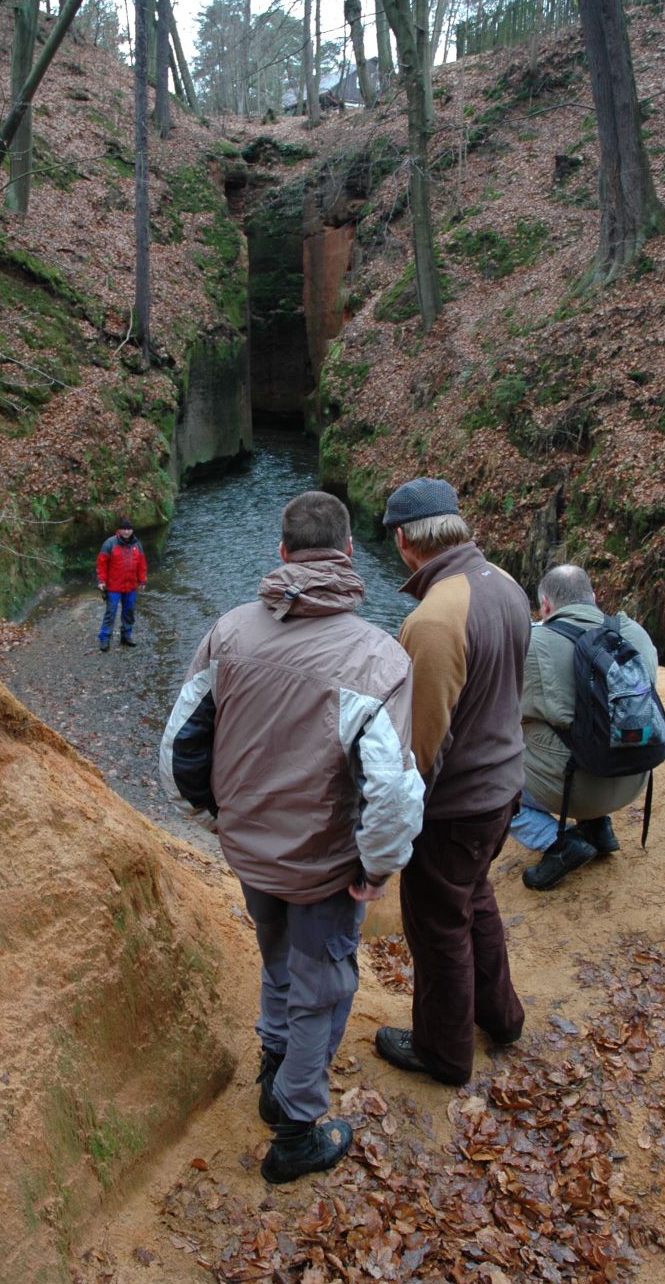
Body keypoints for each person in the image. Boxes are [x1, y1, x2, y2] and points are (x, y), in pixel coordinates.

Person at [159, 491, 424, 1185]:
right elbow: (392, 791)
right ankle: (296, 1133)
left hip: (250, 852)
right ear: (349, 554)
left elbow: (180, 748)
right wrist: (377, 867)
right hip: (323, 867)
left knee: (277, 959)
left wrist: (217, 819)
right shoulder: (377, 658)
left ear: (281, 552)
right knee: (323, 987)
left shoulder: (228, 633)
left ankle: (274, 1068)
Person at [374, 477, 530, 1088]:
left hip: (456, 808)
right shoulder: (507, 583)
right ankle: (501, 1017)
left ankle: (443, 1052)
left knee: (438, 926)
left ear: (403, 539)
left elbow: (422, 744)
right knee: (474, 899)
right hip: (502, 786)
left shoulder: (434, 619)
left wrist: (398, 820)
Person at [512, 563, 660, 890]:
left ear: (545, 605)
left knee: (489, 775)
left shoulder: (533, 644)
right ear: (593, 597)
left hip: (575, 790)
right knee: (596, 723)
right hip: (634, 777)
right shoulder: (635, 632)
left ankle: (557, 842)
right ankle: (597, 827)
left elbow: (507, 711)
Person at [96, 518, 147, 651]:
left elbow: (142, 564)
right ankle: (105, 638)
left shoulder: (137, 544)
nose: (126, 531)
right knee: (110, 612)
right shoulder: (110, 543)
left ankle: (126, 635)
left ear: (132, 530)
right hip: (114, 586)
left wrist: (142, 580)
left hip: (131, 585)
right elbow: (101, 563)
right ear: (119, 530)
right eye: (124, 528)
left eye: (129, 529)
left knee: (129, 611)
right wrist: (101, 581)